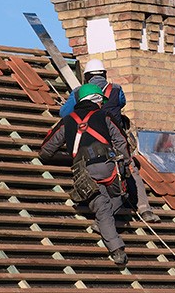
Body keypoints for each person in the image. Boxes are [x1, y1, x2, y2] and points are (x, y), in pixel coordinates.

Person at [40, 84, 133, 265]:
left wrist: (65, 157)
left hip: (85, 171)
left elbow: (46, 150)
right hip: (109, 166)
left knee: (102, 207)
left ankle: (116, 249)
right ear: (97, 99)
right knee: (120, 195)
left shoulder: (67, 120)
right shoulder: (105, 115)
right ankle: (108, 233)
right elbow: (121, 140)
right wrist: (126, 162)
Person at [59, 59, 160, 223]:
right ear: (104, 74)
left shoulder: (79, 92)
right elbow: (121, 104)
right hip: (116, 142)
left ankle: (97, 207)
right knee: (130, 170)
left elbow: (64, 113)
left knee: (92, 172)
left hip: (94, 145)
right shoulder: (117, 90)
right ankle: (145, 210)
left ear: (86, 77)